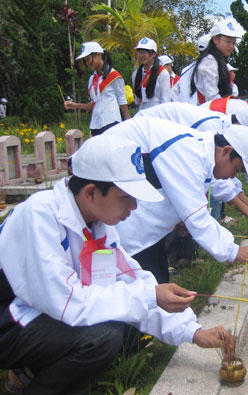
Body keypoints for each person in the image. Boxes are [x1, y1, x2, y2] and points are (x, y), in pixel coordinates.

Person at [0, 134, 231, 394]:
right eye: (126, 197)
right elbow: (68, 302)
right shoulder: (39, 217)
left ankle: (29, 374)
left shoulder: (98, 225)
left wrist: (193, 332)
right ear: (91, 192)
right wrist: (149, 296)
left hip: (37, 313)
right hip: (9, 319)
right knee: (102, 338)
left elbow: (131, 278)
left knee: (119, 324)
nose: (134, 206)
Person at [104, 118, 248, 283]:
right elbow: (197, 216)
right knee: (145, 288)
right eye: (236, 169)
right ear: (226, 151)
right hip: (127, 228)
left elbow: (170, 189)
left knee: (156, 281)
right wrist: (233, 251)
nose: (232, 176)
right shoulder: (189, 152)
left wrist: (177, 219)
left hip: (143, 231)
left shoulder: (198, 153)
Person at [133, 102, 248, 224]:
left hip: (156, 144)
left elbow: (227, 181)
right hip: (142, 143)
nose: (234, 175)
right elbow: (217, 183)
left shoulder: (223, 133)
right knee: (153, 204)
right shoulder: (211, 130)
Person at [64, 42, 130, 136]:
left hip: (111, 122)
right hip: (95, 124)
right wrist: (74, 105)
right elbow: (94, 104)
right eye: (85, 61)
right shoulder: (92, 79)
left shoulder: (114, 75)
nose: (87, 63)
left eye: (88, 59)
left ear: (98, 55)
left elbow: (122, 101)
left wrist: (128, 123)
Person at [181, 20, 242, 106]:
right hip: (207, 112)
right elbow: (212, 97)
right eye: (228, 41)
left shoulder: (218, 60)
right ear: (216, 39)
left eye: (234, 42)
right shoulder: (209, 61)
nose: (232, 46)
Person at [132, 37, 171, 110]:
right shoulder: (136, 74)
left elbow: (165, 99)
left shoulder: (162, 73)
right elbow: (137, 100)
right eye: (139, 52)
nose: (141, 55)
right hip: (142, 114)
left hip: (157, 114)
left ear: (153, 54)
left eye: (144, 52)